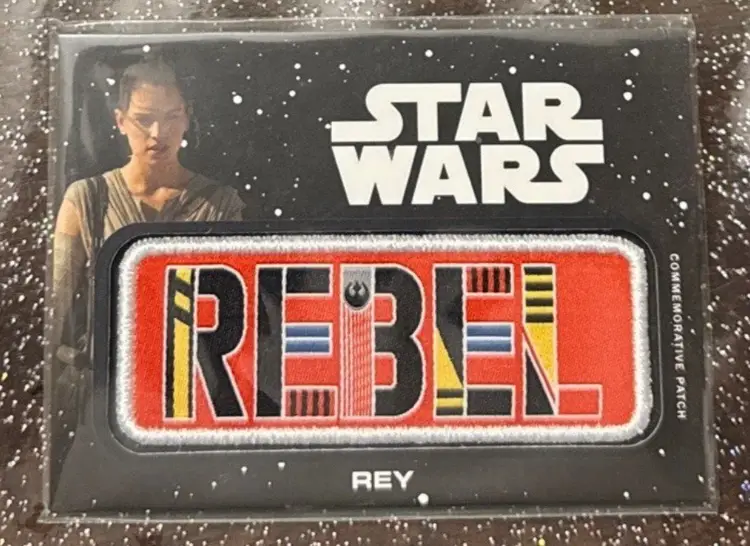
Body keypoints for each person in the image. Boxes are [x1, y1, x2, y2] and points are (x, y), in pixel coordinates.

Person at [48, 56, 244, 481]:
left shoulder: (220, 204)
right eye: (143, 119)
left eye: (171, 117)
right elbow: (57, 312)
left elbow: (237, 315)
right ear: (120, 121)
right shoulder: (87, 200)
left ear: (187, 118)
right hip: (102, 396)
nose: (158, 133)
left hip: (191, 394)